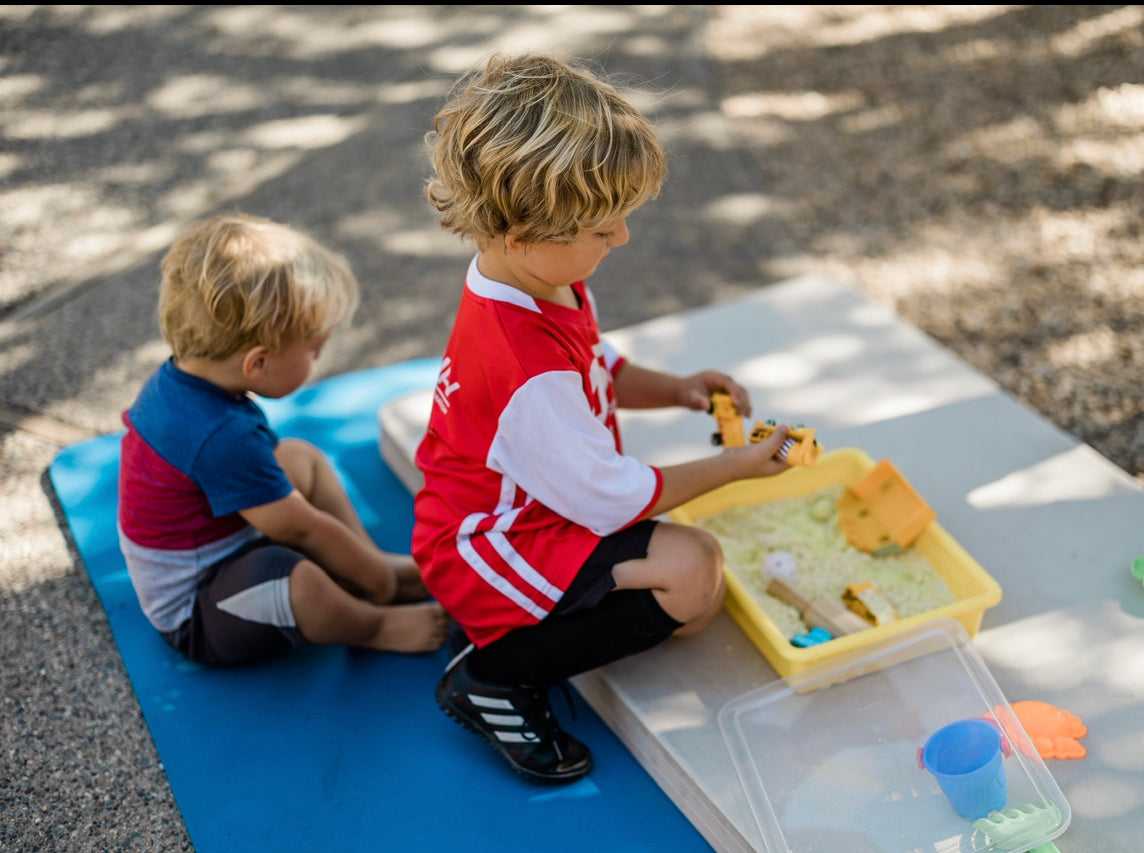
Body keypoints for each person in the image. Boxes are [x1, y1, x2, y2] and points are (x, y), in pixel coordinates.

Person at [412, 52, 793, 785]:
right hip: (493, 544)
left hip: (494, 513)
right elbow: (610, 496)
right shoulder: (525, 367)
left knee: (691, 576)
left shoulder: (534, 282)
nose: (621, 237)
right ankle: (495, 673)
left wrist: (677, 388)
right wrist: (734, 467)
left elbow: (602, 368)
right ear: (521, 230)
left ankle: (509, 630)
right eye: (599, 227)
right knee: (693, 575)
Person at [117, 213, 449, 667]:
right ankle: (373, 622)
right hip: (199, 610)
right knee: (293, 580)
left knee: (300, 459)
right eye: (313, 350)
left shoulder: (183, 376)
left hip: (221, 538)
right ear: (257, 362)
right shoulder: (220, 436)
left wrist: (369, 567)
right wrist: (383, 584)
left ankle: (367, 568)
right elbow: (298, 528)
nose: (316, 359)